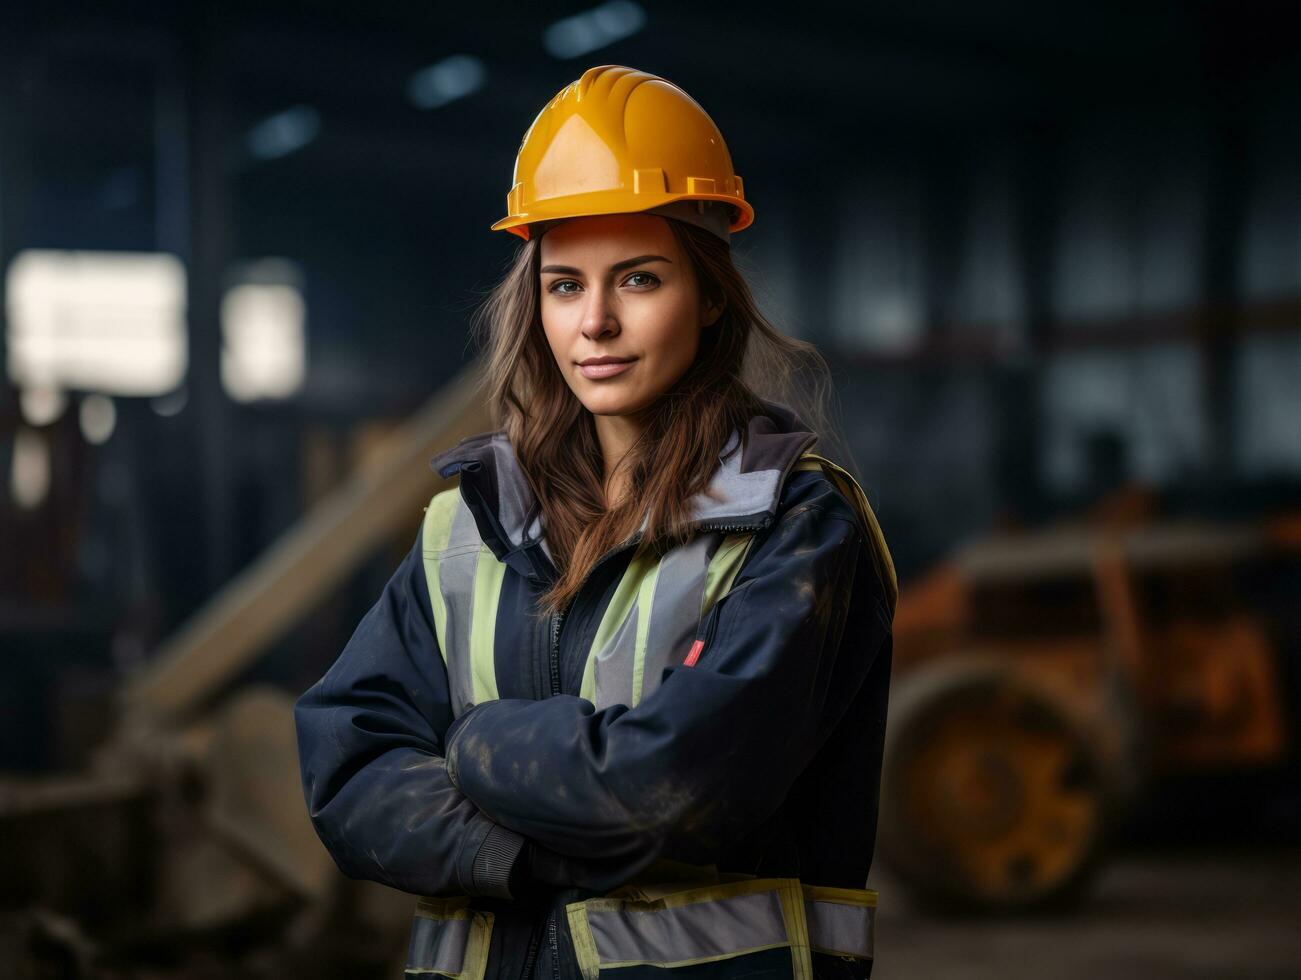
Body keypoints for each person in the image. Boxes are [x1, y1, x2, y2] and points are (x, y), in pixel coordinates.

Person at [293, 64, 897, 980]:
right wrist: (527, 851)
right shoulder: (468, 526)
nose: (597, 322)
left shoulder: (793, 525)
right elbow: (346, 771)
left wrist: (471, 742)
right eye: (565, 285)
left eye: (639, 280)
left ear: (709, 295)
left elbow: (671, 788)